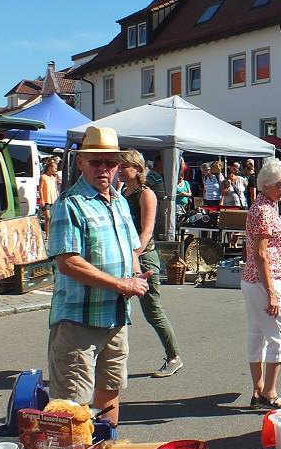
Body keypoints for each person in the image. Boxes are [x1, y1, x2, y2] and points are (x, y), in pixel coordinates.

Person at [46, 127, 150, 427]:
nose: (104, 168)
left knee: (109, 397)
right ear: (81, 163)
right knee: (71, 409)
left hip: (115, 319)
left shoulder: (117, 201)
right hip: (79, 322)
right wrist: (121, 284)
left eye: (111, 162)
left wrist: (134, 275)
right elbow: (69, 263)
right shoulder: (71, 203)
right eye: (96, 162)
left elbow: (132, 247)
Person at [119, 149, 184, 377]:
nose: (118, 170)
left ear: (137, 169)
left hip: (144, 258)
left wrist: (135, 254)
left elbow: (147, 231)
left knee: (152, 311)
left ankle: (174, 356)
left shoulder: (146, 194)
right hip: (126, 257)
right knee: (116, 309)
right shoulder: (122, 192)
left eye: (123, 166)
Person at [242, 159, 281, 409]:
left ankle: (258, 390)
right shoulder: (265, 210)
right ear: (267, 184)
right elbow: (261, 254)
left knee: (258, 334)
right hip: (264, 280)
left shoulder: (262, 205)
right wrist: (273, 295)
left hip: (254, 279)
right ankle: (269, 392)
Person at [38, 158, 60, 237]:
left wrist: (58, 198)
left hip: (53, 199)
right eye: (55, 168)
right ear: (50, 168)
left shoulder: (54, 178)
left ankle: (51, 233)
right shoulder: (43, 177)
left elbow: (56, 189)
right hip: (46, 199)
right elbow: (40, 188)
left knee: (53, 218)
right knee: (48, 217)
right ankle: (47, 234)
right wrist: (42, 200)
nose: (55, 170)